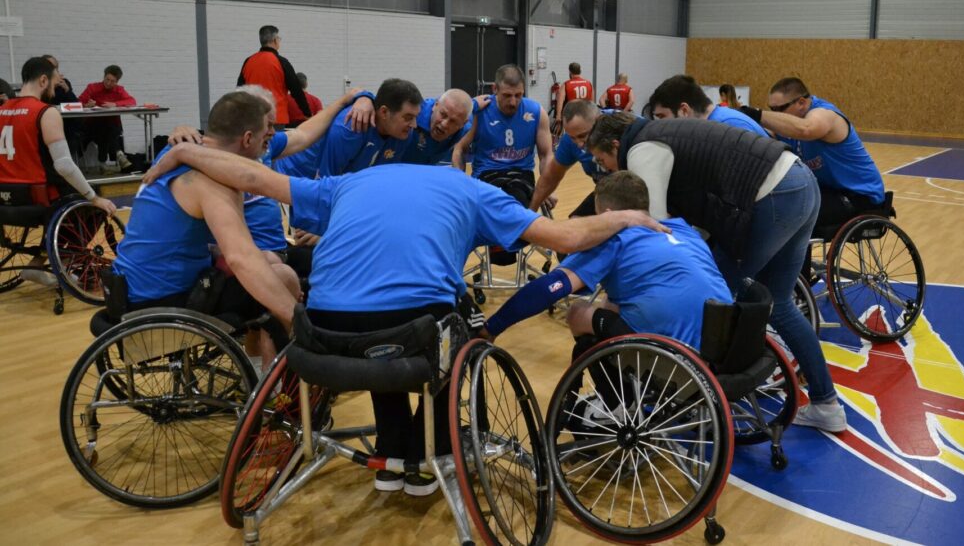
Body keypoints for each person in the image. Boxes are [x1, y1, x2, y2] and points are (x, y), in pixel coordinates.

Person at [143, 141, 669, 497]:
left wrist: (185, 150)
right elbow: (569, 239)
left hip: (321, 340)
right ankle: (431, 453)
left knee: (376, 325)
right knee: (454, 327)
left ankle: (394, 453)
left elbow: (253, 175)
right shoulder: (472, 190)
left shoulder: (349, 183)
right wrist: (626, 214)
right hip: (412, 335)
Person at [585, 111, 847, 433]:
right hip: (800, 180)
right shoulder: (660, 133)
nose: (606, 170)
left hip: (773, 193)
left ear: (615, 145)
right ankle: (826, 404)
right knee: (779, 302)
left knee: (712, 292)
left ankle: (705, 398)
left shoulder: (641, 149)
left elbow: (652, 229)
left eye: (602, 160)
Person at [114, 91, 301, 371]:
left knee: (269, 261)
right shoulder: (213, 181)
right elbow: (240, 258)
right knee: (281, 276)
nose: (272, 135)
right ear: (248, 139)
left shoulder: (174, 152)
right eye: (267, 130)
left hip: (130, 286)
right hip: (160, 299)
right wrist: (300, 323)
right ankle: (278, 382)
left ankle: (252, 369)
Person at [487, 171, 732, 354]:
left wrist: (492, 327)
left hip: (672, 350)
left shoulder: (612, 239)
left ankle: (613, 402)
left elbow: (549, 289)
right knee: (612, 302)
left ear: (606, 216)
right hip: (723, 339)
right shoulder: (683, 229)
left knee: (577, 312)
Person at [167, 85, 359, 269]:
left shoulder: (264, 147)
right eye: (268, 124)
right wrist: (181, 134)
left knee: (338, 261)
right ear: (247, 130)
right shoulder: (200, 156)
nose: (272, 132)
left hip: (278, 249)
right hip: (250, 257)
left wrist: (342, 101)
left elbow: (303, 134)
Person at [0, 57, 117, 282]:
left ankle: (39, 261)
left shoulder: (2, 110)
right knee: (92, 205)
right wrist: (93, 197)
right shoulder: (45, 112)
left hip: (4, 199)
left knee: (63, 193)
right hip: (36, 200)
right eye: (54, 83)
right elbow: (63, 165)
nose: (55, 90)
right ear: (43, 80)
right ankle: (59, 263)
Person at [740, 77, 886, 233]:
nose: (775, 115)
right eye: (771, 109)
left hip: (859, 196)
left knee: (788, 214)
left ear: (802, 103)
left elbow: (806, 129)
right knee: (768, 205)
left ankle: (793, 257)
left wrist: (758, 114)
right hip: (827, 192)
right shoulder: (790, 124)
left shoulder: (825, 114)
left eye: (779, 109)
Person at [273, 79, 421, 179]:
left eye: (415, 117)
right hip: (296, 174)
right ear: (383, 112)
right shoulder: (351, 126)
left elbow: (380, 180)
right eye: (408, 117)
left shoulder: (402, 134)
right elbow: (325, 183)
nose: (414, 125)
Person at [453, 64, 553, 208]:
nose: (513, 102)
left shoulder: (536, 112)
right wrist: (461, 183)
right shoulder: (480, 111)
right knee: (491, 206)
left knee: (517, 204)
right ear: (495, 89)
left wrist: (545, 189)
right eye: (507, 95)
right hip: (487, 175)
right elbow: (459, 149)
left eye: (518, 95)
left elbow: (546, 155)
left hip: (521, 175)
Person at [530, 99, 614, 218]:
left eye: (582, 136)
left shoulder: (621, 130)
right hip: (607, 191)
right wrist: (529, 214)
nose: (579, 144)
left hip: (636, 191)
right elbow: (550, 178)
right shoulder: (570, 141)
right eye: (573, 138)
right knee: (576, 221)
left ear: (598, 122)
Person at [237, 25, 310, 128]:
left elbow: (240, 91)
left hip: (254, 119)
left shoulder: (248, 61)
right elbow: (296, 90)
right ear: (275, 40)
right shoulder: (282, 62)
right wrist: (307, 113)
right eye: (279, 39)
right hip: (276, 118)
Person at [647, 74, 767, 136]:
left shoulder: (728, 127)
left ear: (684, 110)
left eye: (662, 116)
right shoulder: (715, 123)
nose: (660, 125)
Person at [78, 65, 136, 171]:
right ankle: (118, 154)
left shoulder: (119, 90)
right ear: (104, 77)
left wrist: (115, 104)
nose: (108, 83)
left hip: (109, 126)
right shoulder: (92, 87)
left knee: (107, 128)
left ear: (117, 82)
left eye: (112, 81)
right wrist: (86, 105)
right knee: (107, 128)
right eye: (107, 79)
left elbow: (132, 101)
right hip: (92, 125)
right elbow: (78, 102)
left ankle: (104, 162)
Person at [41, 55, 83, 157]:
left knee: (71, 134)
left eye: (55, 67)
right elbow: (39, 105)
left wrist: (67, 90)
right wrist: (49, 88)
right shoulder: (39, 84)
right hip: (45, 124)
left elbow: (76, 106)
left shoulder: (64, 82)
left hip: (64, 124)